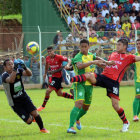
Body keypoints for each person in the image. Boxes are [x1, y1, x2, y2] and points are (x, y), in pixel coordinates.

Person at [69, 38, 140, 132]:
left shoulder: (129, 57)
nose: (117, 46)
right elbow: (105, 64)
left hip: (113, 82)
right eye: (117, 44)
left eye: (119, 44)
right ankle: (72, 81)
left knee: (115, 105)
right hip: (103, 77)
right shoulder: (113, 54)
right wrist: (102, 64)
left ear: (125, 46)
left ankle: (126, 122)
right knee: (90, 75)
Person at [67, 39, 113, 134]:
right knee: (79, 103)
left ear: (88, 47)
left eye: (85, 47)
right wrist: (93, 62)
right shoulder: (78, 56)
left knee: (86, 108)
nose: (83, 48)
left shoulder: (91, 56)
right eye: (82, 47)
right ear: (79, 47)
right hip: (79, 84)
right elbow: (80, 66)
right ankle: (71, 127)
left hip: (90, 85)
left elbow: (98, 58)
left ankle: (77, 118)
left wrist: (107, 63)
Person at [2, 59, 49, 133]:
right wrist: (15, 69)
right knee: (29, 121)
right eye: (9, 65)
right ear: (5, 67)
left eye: (12, 64)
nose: (11, 66)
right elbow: (11, 80)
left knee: (35, 113)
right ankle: (30, 117)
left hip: (24, 96)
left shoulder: (18, 70)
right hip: (14, 102)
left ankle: (42, 128)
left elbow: (29, 74)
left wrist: (25, 67)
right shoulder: (4, 75)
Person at [37, 46, 74, 111]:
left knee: (48, 91)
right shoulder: (47, 58)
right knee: (59, 94)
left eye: (50, 51)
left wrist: (67, 65)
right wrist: (45, 73)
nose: (49, 53)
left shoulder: (59, 57)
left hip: (58, 77)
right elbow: (46, 66)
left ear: (53, 51)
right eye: (48, 52)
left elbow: (69, 60)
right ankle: (74, 97)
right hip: (54, 77)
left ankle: (42, 106)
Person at [133, 39, 140, 122]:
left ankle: (136, 115)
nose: (138, 45)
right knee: (138, 96)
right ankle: (134, 115)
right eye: (137, 44)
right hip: (138, 80)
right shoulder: (134, 56)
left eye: (139, 43)